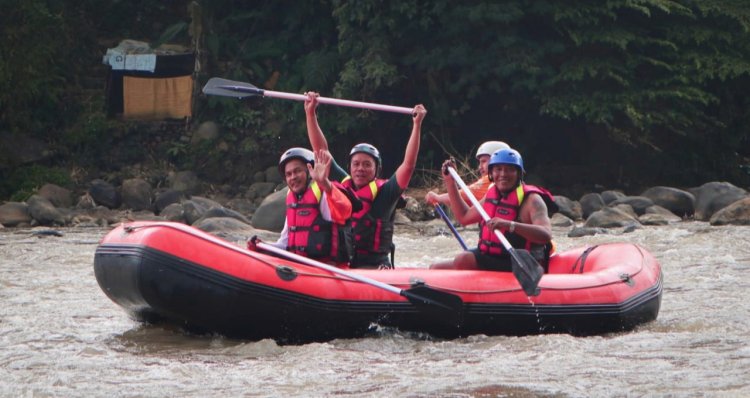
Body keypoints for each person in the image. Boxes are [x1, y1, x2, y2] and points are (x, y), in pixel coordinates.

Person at [304, 91, 427, 269]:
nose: (360, 168)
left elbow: (408, 165)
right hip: (347, 264)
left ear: (376, 169)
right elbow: (321, 150)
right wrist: (310, 114)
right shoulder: (344, 185)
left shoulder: (386, 193)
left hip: (375, 267)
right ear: (350, 167)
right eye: (356, 164)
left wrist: (417, 125)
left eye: (367, 164)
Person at [430, 148, 557, 271]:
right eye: (498, 169)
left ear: (519, 173)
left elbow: (545, 234)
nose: (503, 174)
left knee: (464, 259)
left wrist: (509, 225)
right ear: (491, 173)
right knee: (435, 268)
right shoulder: (492, 195)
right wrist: (450, 182)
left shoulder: (532, 200)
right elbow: (464, 217)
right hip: (492, 257)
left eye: (509, 170)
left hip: (520, 262)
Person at [248, 147, 354, 265]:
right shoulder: (292, 200)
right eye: (289, 174)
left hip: (327, 269)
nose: (293, 177)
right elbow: (284, 243)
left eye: (297, 171)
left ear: (309, 172)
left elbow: (345, 211)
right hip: (300, 267)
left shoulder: (323, 194)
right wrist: (262, 246)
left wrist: (325, 184)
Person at [425, 140, 510, 206]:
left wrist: (437, 198)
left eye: (484, 161)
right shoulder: (512, 182)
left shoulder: (489, 180)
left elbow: (461, 196)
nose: (479, 167)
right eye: (479, 163)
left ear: (497, 161)